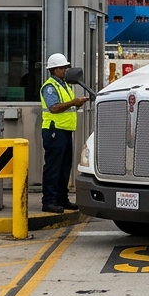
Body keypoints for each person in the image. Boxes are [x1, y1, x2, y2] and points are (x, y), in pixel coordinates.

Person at [40, 52, 89, 214]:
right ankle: (49, 201)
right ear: (53, 70)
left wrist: (77, 104)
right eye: (62, 68)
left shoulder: (65, 85)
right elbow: (54, 108)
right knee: (54, 168)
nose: (65, 70)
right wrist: (73, 102)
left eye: (66, 67)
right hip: (55, 131)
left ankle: (61, 199)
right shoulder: (49, 87)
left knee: (64, 168)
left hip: (65, 131)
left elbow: (66, 107)